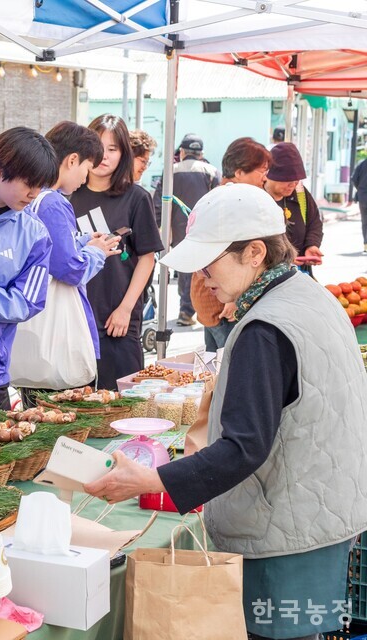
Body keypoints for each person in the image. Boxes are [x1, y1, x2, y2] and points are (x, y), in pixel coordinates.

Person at [85, 183, 367, 640]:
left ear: (255, 252)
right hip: (324, 519)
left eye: (210, 259)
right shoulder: (306, 296)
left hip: (286, 537)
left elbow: (244, 446)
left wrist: (153, 480)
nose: (201, 275)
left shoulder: (265, 328)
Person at [20, 121, 119, 398]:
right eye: (87, 169)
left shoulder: (33, 197)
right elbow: (71, 270)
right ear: (72, 160)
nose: (86, 179)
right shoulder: (53, 202)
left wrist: (82, 242)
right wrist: (96, 252)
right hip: (57, 350)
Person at [70, 114, 164, 390]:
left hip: (118, 321)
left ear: (123, 153)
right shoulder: (68, 195)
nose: (104, 156)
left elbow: (147, 259)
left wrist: (126, 309)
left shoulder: (137, 198)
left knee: (123, 402)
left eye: (113, 149)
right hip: (75, 319)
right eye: (99, 146)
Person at [0, 127, 55, 411]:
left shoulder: (35, 234)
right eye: (28, 183)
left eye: (40, 185)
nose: (34, 194)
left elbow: (27, 301)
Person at [193, 137, 271, 352]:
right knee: (229, 368)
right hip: (223, 305)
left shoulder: (215, 199)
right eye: (262, 170)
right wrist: (234, 298)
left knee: (214, 373)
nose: (265, 177)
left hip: (213, 301)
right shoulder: (230, 204)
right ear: (239, 172)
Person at [153, 133, 220, 327]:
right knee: (205, 271)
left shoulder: (171, 171)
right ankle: (200, 309)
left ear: (182, 152)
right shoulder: (212, 171)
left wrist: (157, 226)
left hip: (179, 229)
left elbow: (158, 203)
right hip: (206, 230)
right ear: (201, 154)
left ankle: (186, 309)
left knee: (185, 270)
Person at [264, 142, 324, 264]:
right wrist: (284, 260)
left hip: (301, 270)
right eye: (288, 181)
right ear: (271, 175)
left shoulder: (299, 191)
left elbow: (314, 222)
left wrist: (311, 245)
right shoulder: (259, 197)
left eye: (296, 180)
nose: (293, 185)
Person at [349, 155, 367, 254]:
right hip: (362, 196)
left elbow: (354, 179)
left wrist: (360, 189)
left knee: (365, 222)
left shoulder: (362, 164)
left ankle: (366, 245)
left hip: (363, 197)